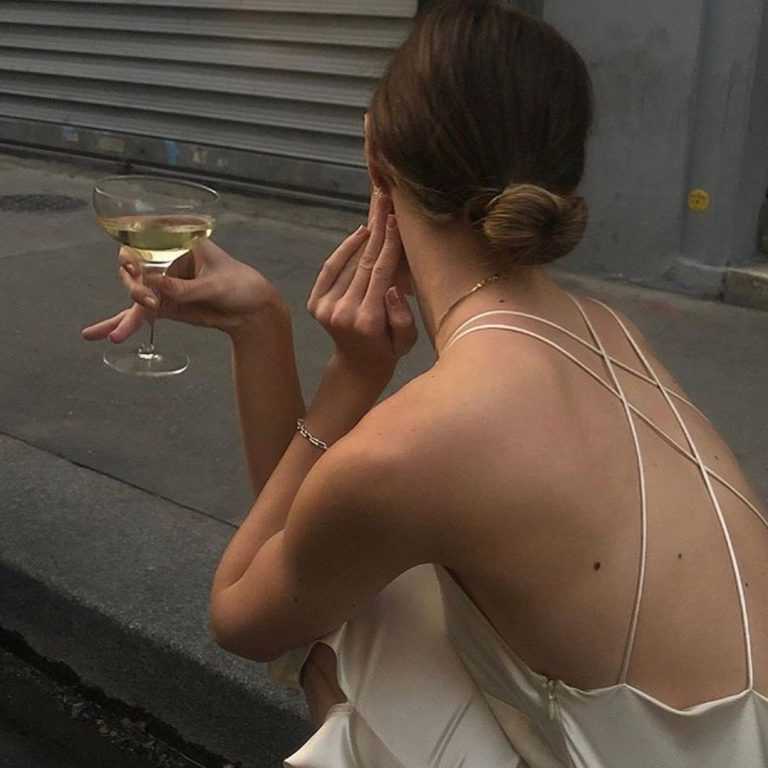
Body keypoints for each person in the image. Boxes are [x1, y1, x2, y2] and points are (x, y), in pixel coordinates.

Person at [83, 1, 768, 765]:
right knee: (365, 573)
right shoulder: (608, 331)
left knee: (355, 623)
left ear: (377, 163)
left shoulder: (429, 442)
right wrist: (260, 326)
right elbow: (316, 539)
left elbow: (245, 615)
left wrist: (351, 378)